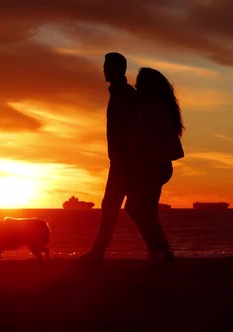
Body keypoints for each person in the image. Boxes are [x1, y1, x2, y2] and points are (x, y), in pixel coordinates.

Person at [81, 52, 139, 262]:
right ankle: (158, 248)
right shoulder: (119, 93)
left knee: (113, 206)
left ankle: (97, 252)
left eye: (108, 65)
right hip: (122, 161)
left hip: (125, 162)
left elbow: (129, 130)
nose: (104, 69)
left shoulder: (124, 95)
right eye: (104, 65)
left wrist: (124, 159)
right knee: (128, 207)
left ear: (118, 69)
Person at [124, 67, 184, 264]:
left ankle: (159, 250)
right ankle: (158, 249)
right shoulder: (156, 106)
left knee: (139, 208)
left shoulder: (153, 108)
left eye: (140, 83)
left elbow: (146, 137)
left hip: (153, 165)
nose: (137, 86)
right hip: (156, 165)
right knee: (138, 208)